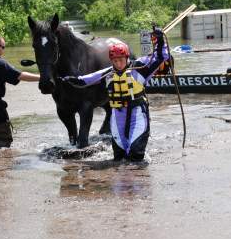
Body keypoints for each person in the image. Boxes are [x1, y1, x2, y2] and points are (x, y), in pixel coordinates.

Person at [62, 29, 169, 163]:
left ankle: (139, 179)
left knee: (135, 155)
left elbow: (160, 57)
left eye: (121, 60)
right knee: (119, 157)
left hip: (137, 115)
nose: (118, 64)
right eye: (115, 60)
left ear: (127, 58)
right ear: (111, 60)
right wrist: (68, 79)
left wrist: (160, 41)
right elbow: (85, 79)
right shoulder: (108, 73)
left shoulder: (141, 68)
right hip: (118, 117)